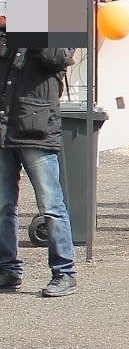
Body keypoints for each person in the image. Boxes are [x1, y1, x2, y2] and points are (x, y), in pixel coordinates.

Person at [1, 34, 80, 298]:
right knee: (3, 205)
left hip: (37, 126)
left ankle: (64, 271)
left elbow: (56, 57)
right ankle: (8, 269)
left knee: (50, 205)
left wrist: (29, 23)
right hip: (5, 124)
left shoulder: (59, 11)